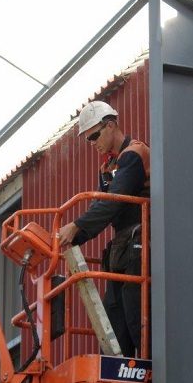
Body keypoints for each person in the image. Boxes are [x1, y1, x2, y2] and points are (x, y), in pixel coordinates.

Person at [58, 100, 150, 358]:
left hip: (140, 243)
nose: (94, 143)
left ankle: (152, 371)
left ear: (111, 125)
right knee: (115, 316)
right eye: (89, 140)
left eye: (95, 135)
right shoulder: (108, 168)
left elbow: (112, 203)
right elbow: (103, 208)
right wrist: (74, 238)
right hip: (122, 248)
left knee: (136, 315)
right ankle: (121, 370)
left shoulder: (134, 155)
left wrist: (76, 227)